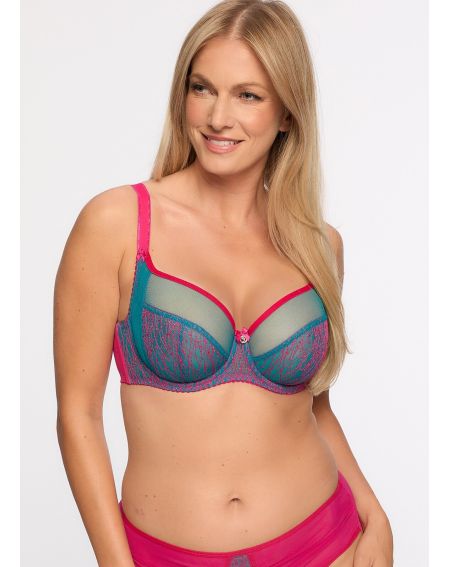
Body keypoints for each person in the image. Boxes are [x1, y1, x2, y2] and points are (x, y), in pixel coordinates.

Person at [54, 1, 394, 565]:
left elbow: (313, 408)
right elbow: (77, 416)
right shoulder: (117, 224)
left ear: (287, 114)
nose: (218, 117)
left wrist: (375, 518)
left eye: (248, 95)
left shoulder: (319, 246)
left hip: (328, 542)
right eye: (203, 88)